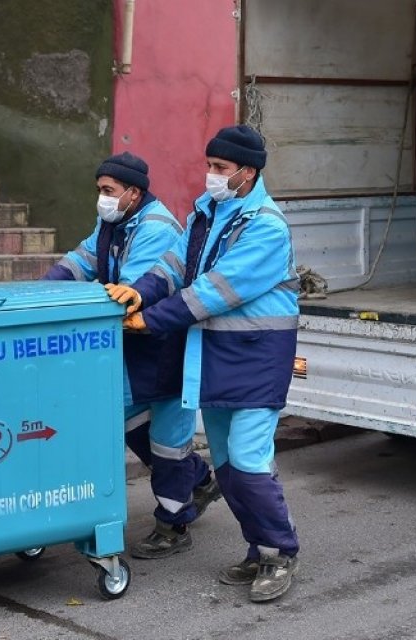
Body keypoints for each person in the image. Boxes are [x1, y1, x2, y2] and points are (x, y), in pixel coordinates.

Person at [105, 125, 301, 602]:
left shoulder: (266, 227)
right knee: (230, 467)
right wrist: (140, 291)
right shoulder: (207, 212)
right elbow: (174, 266)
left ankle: (279, 552)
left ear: (247, 173)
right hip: (215, 357)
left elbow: (215, 289)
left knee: (251, 464)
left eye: (220, 168)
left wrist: (150, 321)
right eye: (209, 165)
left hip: (257, 358)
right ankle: (257, 549)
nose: (210, 175)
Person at [42, 152, 221, 559]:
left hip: (164, 346)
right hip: (137, 347)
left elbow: (128, 292)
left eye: (108, 191)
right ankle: (199, 479)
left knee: (168, 442)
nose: (101, 199)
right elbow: (83, 260)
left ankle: (174, 524)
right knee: (127, 420)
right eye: (100, 190)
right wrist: (41, 291)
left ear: (133, 193)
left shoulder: (155, 229)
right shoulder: (115, 221)